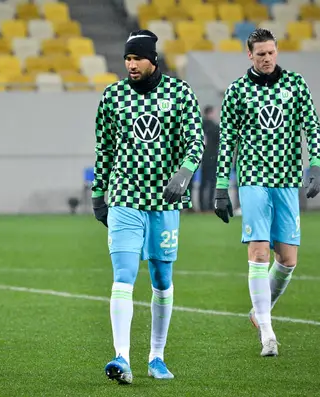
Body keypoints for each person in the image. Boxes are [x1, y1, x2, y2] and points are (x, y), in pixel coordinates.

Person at [91, 30, 204, 384]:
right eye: (127, 59)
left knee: (161, 278)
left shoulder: (180, 93)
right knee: (123, 275)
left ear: (152, 59)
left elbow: (196, 141)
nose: (130, 64)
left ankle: (156, 356)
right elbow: (104, 150)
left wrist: (184, 173)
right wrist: (98, 194)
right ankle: (121, 357)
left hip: (163, 202)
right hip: (125, 197)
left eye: (136, 58)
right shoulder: (112, 97)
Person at [214, 28, 320, 357]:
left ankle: (259, 312)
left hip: (287, 180)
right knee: (259, 254)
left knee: (287, 260)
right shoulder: (237, 91)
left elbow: (312, 125)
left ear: (277, 52)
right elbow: (227, 142)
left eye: (271, 52)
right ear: (250, 55)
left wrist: (315, 164)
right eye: (260, 53)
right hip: (253, 179)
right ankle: (267, 332)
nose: (266, 58)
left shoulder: (295, 84)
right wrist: (222, 186)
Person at [199, 105, 219, 212]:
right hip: (213, 159)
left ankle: (201, 206)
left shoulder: (200, 125)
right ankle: (210, 206)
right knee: (211, 183)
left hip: (201, 159)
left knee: (202, 184)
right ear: (211, 113)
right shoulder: (215, 127)